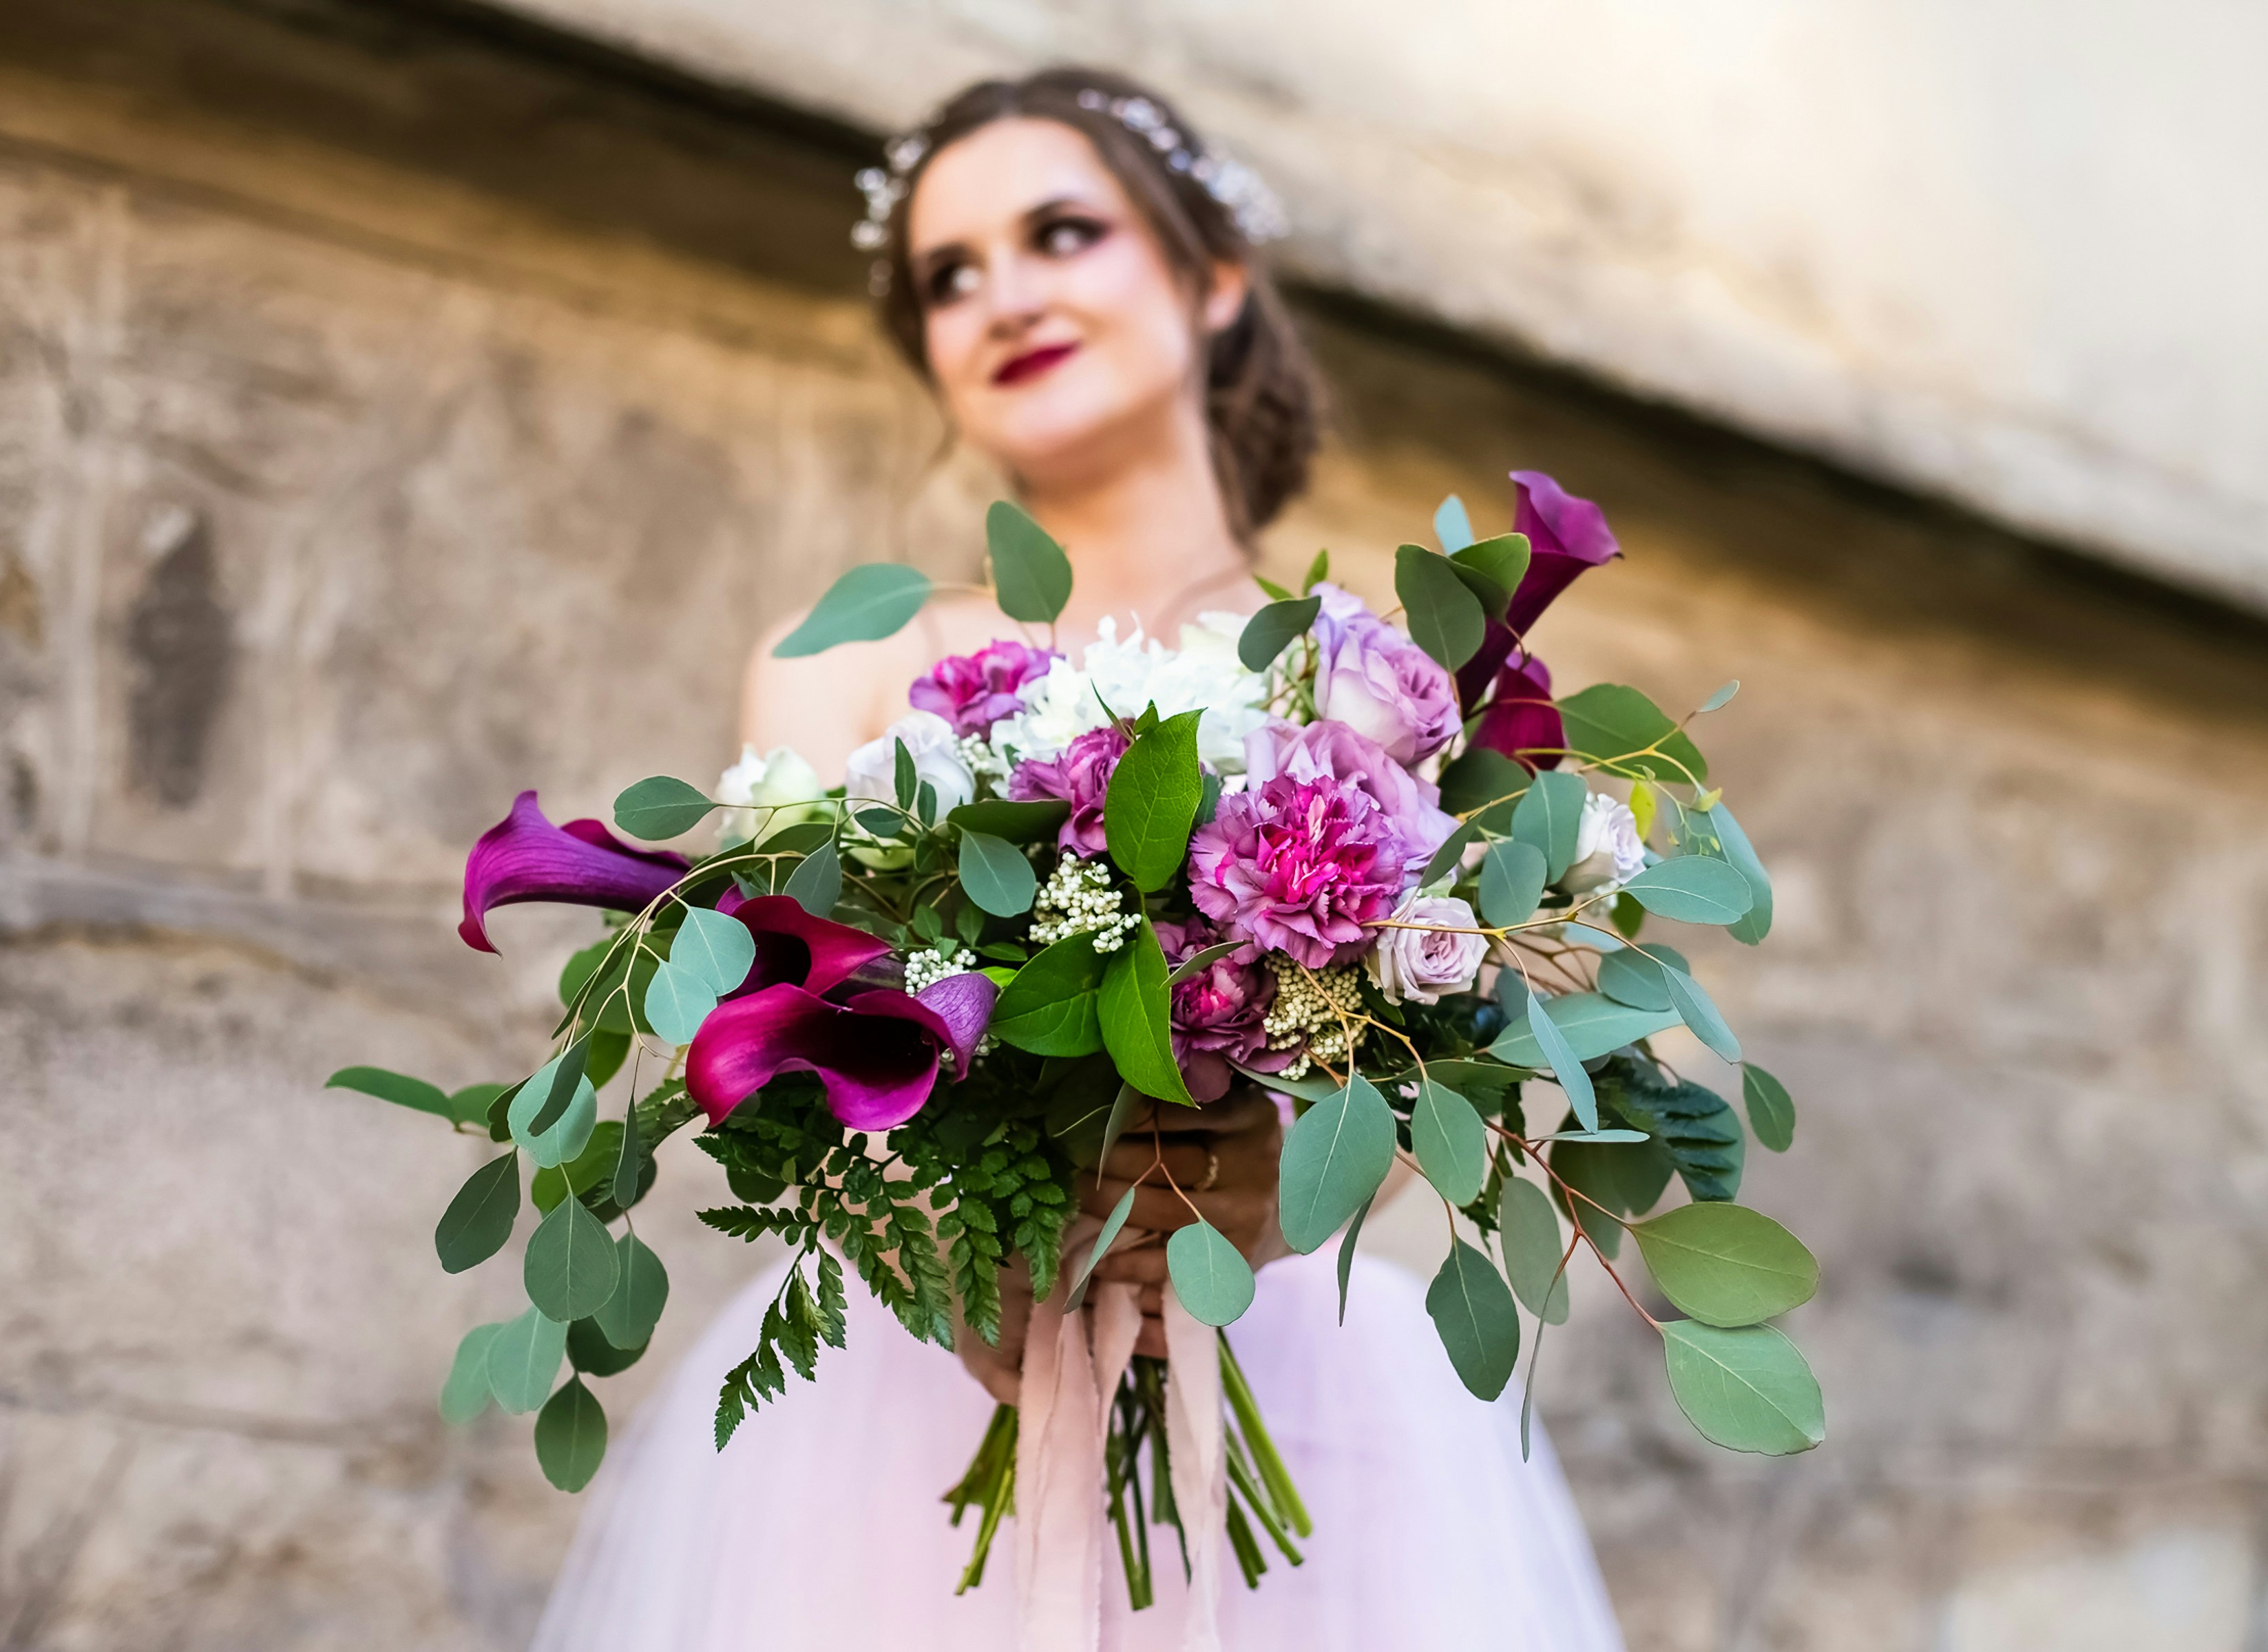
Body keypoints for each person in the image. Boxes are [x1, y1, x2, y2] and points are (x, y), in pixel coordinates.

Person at [531, 68, 1626, 1652]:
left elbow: (1435, 1052)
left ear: (1214, 279)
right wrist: (954, 1233)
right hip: (918, 1389)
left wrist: (1269, 1199)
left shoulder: (1377, 681)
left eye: (1062, 233)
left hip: (1291, 1368)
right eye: (948, 278)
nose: (1004, 297)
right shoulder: (852, 662)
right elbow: (803, 1022)